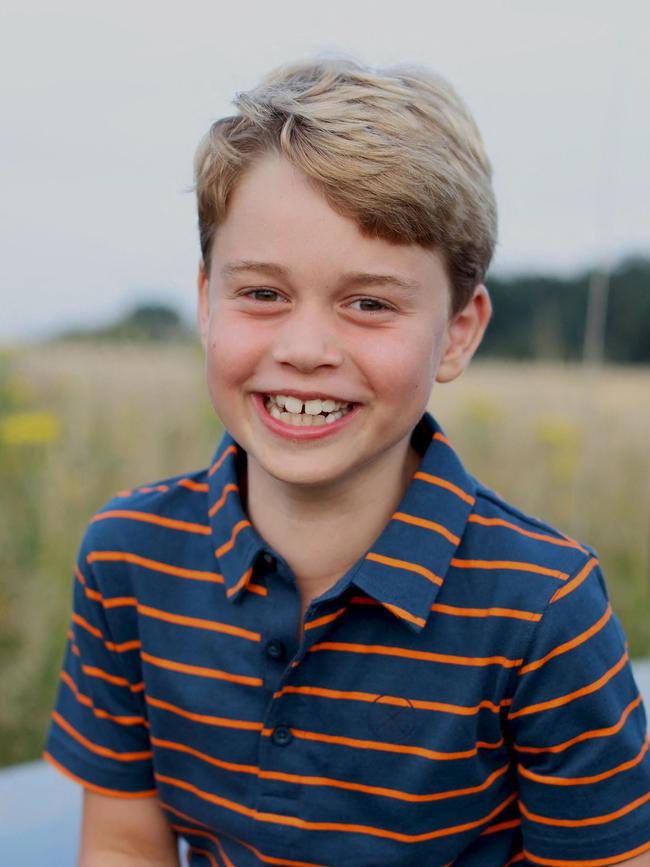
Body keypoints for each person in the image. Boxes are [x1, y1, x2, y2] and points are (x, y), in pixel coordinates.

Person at [45, 58, 650, 866]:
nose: (303, 350)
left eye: (369, 303)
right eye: (261, 293)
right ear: (204, 301)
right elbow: (124, 846)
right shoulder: (128, 555)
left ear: (460, 331)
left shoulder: (544, 608)